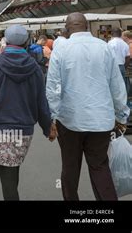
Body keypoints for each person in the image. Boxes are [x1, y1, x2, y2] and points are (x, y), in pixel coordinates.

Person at [46, 13, 129, 201]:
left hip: (69, 120)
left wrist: (52, 117)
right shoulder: (105, 48)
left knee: (70, 168)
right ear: (87, 27)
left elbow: (53, 88)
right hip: (101, 120)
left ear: (67, 29)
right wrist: (122, 116)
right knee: (100, 166)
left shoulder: (61, 50)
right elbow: (117, 86)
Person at [0, 24, 54, 201]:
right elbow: (42, 103)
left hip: (0, 127)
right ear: (26, 43)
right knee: (11, 170)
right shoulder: (35, 68)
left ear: (6, 41)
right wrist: (48, 128)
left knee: (7, 175)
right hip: (24, 128)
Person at [107, 27, 130, 93]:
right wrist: (124, 66)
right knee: (122, 85)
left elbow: (108, 56)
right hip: (122, 66)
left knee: (114, 86)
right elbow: (128, 57)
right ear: (120, 34)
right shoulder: (125, 44)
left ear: (112, 33)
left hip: (113, 66)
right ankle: (125, 101)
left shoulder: (110, 43)